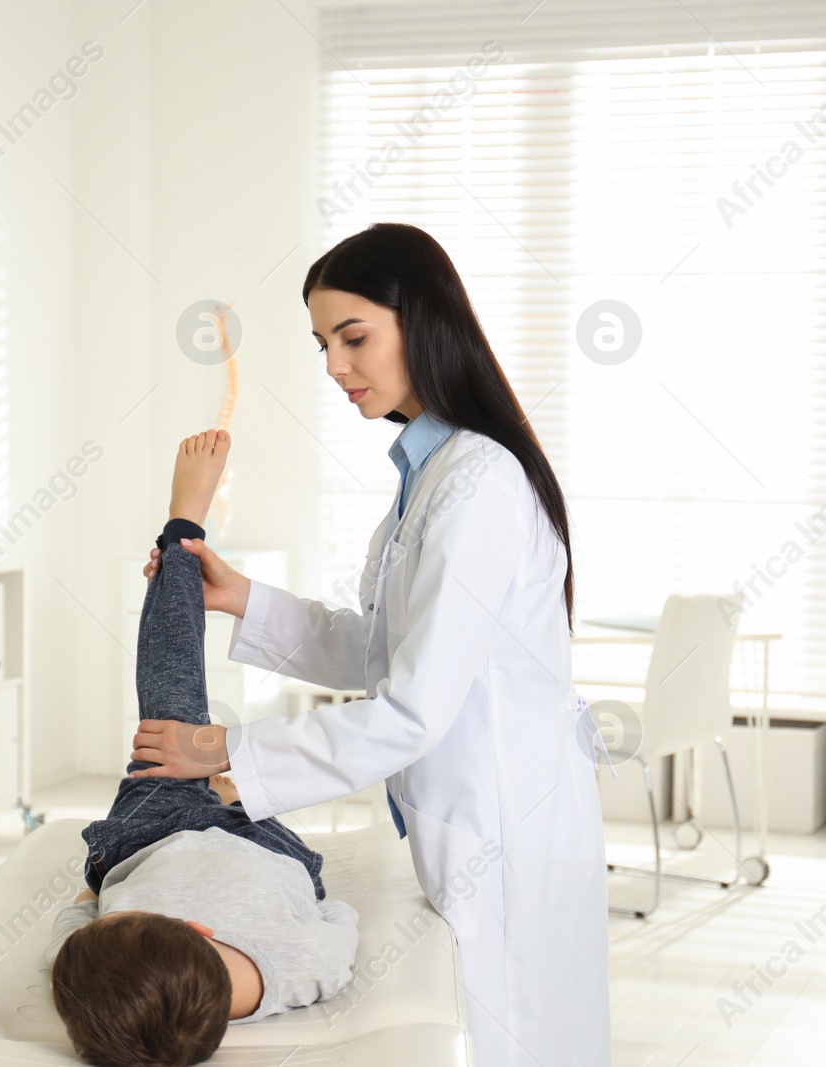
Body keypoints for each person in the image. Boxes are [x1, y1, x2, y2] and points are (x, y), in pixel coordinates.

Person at [132, 224, 612, 1066]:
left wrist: (223, 747)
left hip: (505, 819)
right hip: (471, 810)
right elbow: (386, 647)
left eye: (354, 337)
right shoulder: (428, 474)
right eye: (323, 344)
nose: (334, 367)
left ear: (422, 321)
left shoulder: (478, 482)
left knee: (519, 1034)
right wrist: (242, 598)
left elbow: (412, 706)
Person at [48, 431, 359, 1067]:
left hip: (148, 840)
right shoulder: (298, 970)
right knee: (195, 732)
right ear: (200, 931)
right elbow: (341, 919)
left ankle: (182, 536)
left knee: (169, 706)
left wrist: (93, 890)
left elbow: (70, 936)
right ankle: (182, 543)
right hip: (266, 851)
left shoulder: (99, 983)